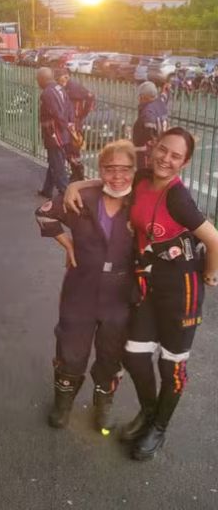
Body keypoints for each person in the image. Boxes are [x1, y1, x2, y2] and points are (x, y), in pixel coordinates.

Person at [64, 127, 218, 461]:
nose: (166, 158)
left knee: (171, 366)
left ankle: (159, 428)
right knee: (133, 354)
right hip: (149, 283)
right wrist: (75, 184)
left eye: (175, 156)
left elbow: (214, 239)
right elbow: (111, 181)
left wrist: (210, 272)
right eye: (163, 150)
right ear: (154, 149)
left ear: (185, 162)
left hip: (182, 290)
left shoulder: (177, 197)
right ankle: (149, 413)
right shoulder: (145, 177)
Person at [35, 140, 136, 431]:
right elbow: (43, 213)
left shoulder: (140, 203)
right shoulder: (83, 199)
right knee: (70, 350)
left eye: (125, 169)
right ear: (100, 169)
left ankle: (103, 405)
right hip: (80, 291)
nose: (118, 176)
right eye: (110, 169)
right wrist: (66, 243)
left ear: (134, 170)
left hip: (120, 296)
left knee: (111, 355)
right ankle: (63, 404)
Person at [37, 67, 77, 198]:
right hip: (63, 133)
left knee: (58, 165)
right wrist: (70, 124)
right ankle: (47, 190)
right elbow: (69, 108)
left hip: (54, 134)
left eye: (38, 79)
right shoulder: (60, 89)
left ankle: (65, 193)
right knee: (55, 162)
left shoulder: (46, 93)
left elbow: (56, 113)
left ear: (43, 79)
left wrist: (64, 125)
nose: (37, 82)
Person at [55, 69, 94, 182]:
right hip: (67, 122)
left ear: (67, 76)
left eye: (62, 76)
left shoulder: (75, 87)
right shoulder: (62, 87)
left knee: (74, 148)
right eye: (58, 77)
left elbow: (91, 96)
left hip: (75, 123)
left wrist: (83, 114)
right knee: (69, 149)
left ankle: (79, 175)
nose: (60, 80)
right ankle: (75, 172)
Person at [132, 81, 169, 169]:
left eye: (141, 96)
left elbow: (149, 132)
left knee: (144, 173)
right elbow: (164, 97)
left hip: (146, 152)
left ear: (145, 97)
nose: (139, 99)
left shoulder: (148, 111)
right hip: (160, 145)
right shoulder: (160, 103)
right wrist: (165, 90)